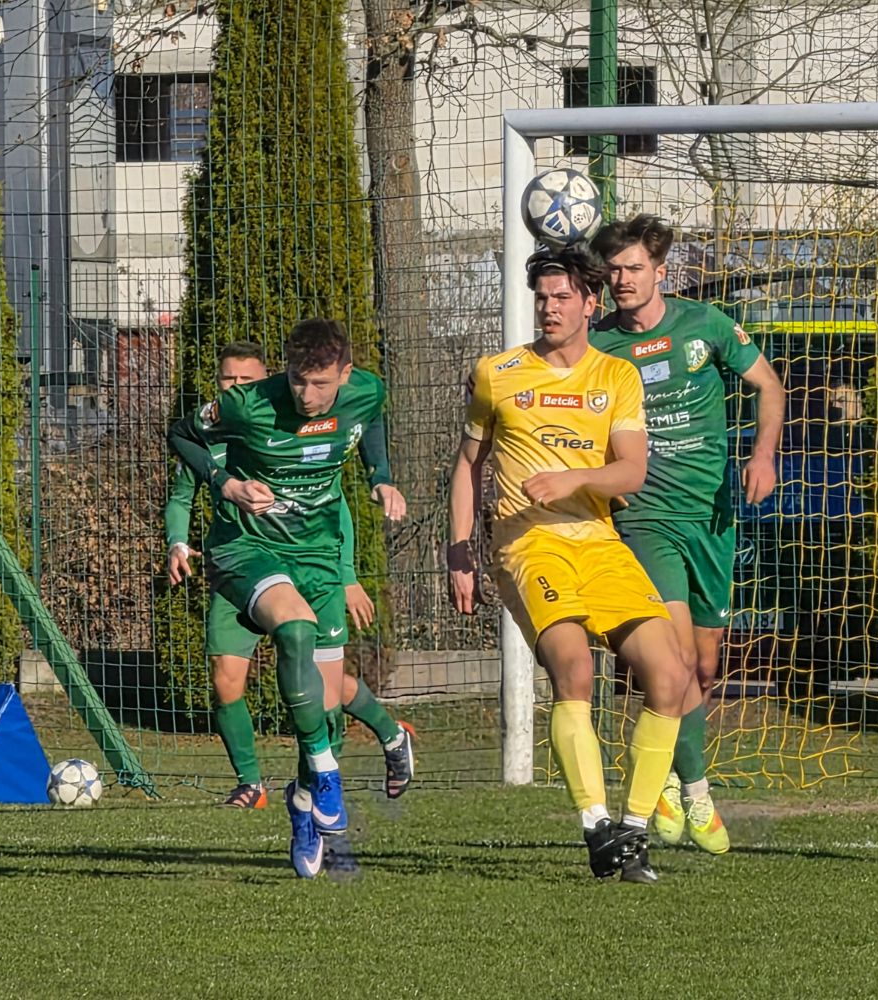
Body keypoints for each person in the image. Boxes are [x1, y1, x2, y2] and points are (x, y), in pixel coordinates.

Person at [447, 247, 694, 884]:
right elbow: (467, 468)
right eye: (543, 297)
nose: (550, 308)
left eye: (563, 298)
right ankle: (595, 824)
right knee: (575, 667)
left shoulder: (616, 377)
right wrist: (458, 552)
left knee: (670, 675)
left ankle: (633, 833)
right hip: (527, 545)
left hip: (600, 542)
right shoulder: (497, 373)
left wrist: (574, 479)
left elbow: (632, 470)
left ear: (591, 303)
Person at [168, 319, 407, 878]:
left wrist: (381, 475)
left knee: (324, 708)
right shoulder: (249, 404)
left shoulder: (366, 391)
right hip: (247, 548)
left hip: (319, 557)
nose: (307, 395)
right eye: (298, 381)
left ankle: (302, 804)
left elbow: (370, 420)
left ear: (344, 375)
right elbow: (181, 433)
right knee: (293, 629)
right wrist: (225, 485)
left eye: (321, 384)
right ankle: (324, 775)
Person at [589, 215, 785, 854]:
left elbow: (769, 388)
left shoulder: (704, 327)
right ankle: (694, 793)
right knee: (669, 658)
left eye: (634, 268)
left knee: (702, 664)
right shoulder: (598, 349)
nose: (622, 279)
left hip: (713, 515)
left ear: (660, 272)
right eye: (614, 270)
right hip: (644, 518)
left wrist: (762, 456)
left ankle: (672, 771)